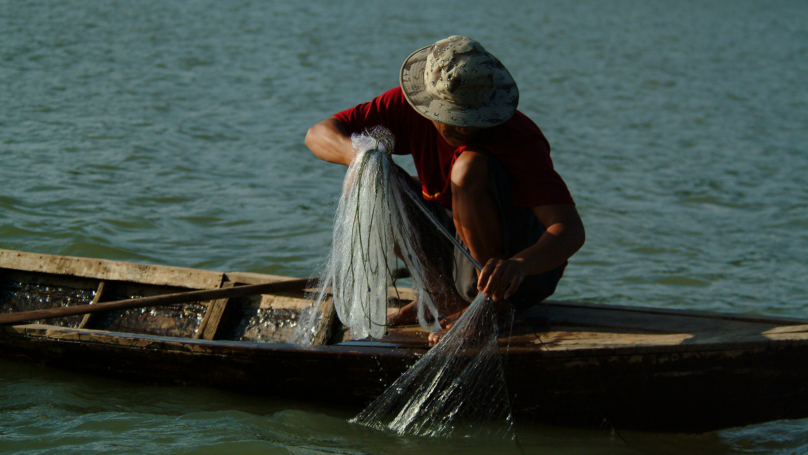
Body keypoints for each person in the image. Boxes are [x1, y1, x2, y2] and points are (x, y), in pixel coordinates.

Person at [305, 35, 585, 341]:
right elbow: (318, 134)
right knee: (370, 175)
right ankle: (441, 299)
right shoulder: (407, 108)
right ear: (429, 104)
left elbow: (569, 229)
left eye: (470, 118)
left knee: (468, 170)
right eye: (452, 117)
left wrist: (519, 264)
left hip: (518, 277)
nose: (463, 128)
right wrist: (363, 159)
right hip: (457, 256)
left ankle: (492, 308)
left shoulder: (517, 138)